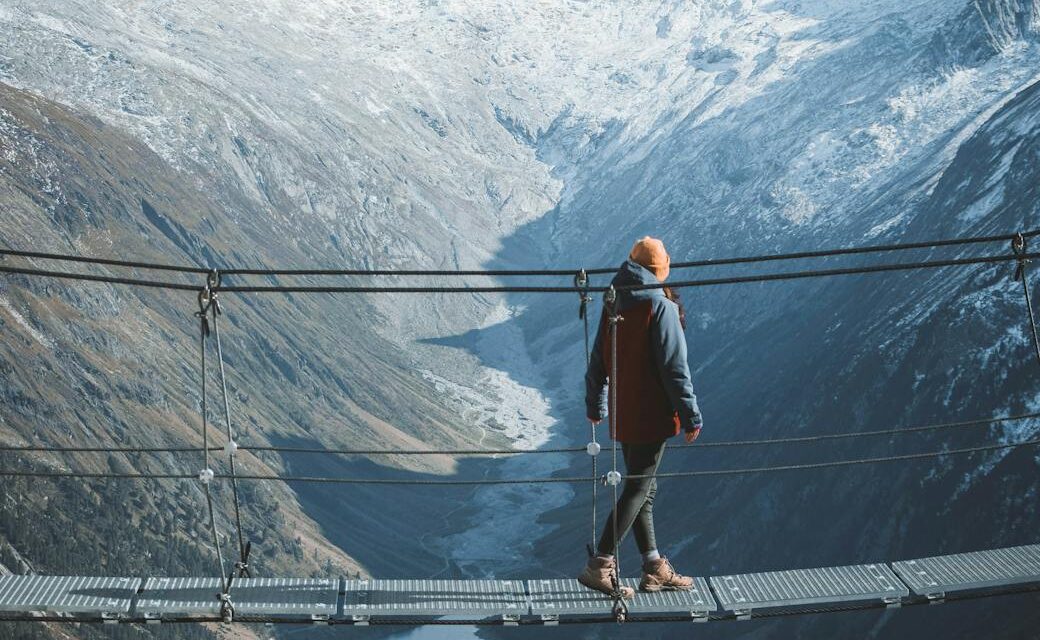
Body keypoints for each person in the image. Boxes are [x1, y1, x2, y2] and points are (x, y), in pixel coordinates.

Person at [577, 236, 703, 598]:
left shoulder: (614, 302)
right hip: (653, 414)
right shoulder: (660, 307)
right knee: (637, 489)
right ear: (659, 271)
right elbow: (675, 369)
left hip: (623, 413)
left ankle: (653, 568)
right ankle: (600, 564)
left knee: (643, 489)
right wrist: (690, 415)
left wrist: (594, 405)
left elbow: (598, 362)